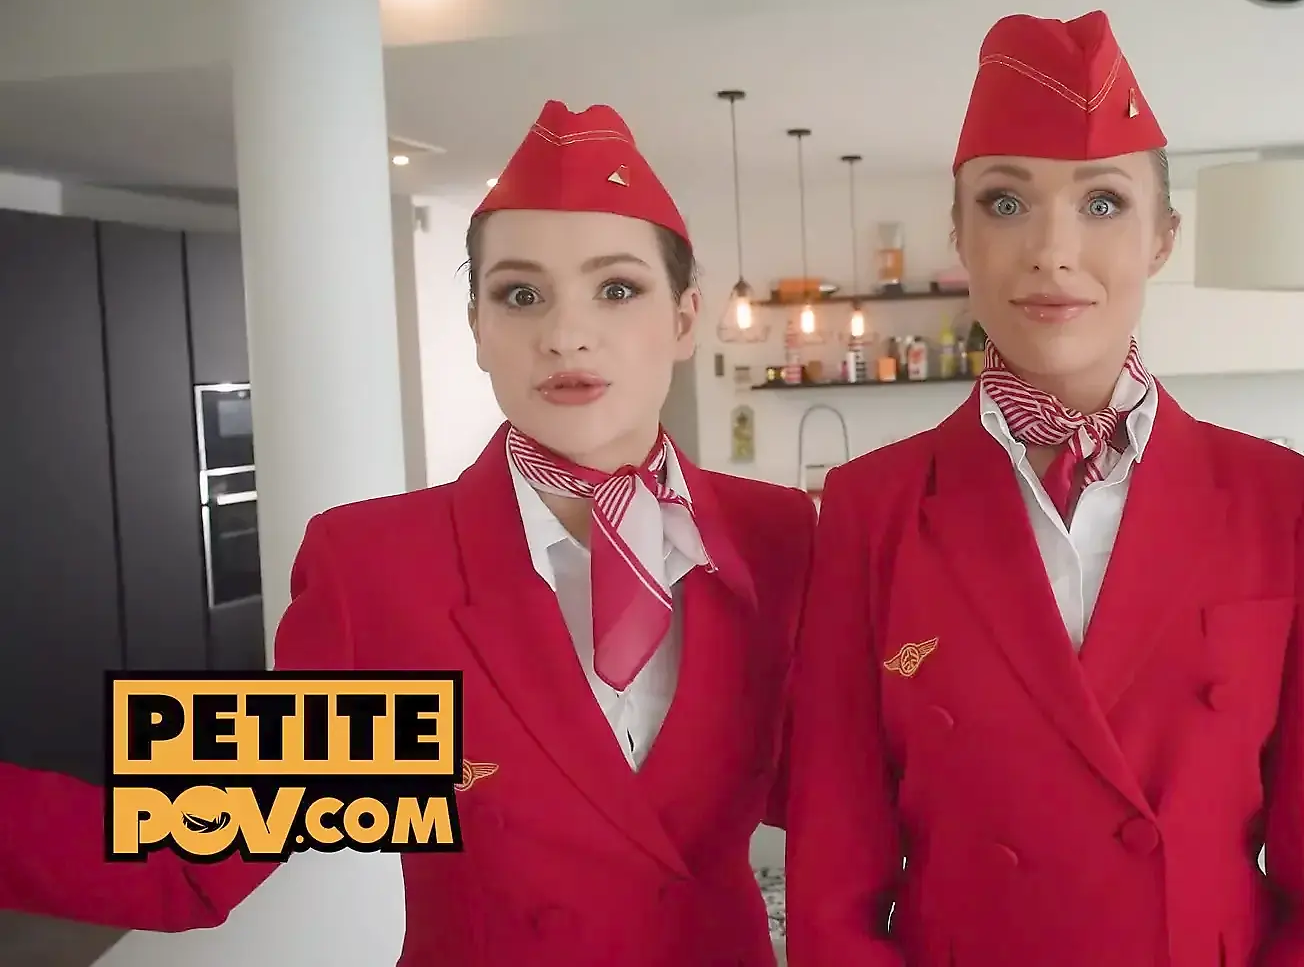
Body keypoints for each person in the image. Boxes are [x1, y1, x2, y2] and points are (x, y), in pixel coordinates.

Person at [0, 100, 815, 966]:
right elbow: (190, 859)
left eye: (617, 289)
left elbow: (844, 789)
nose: (565, 335)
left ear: (684, 320)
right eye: (520, 295)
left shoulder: (778, 535)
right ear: (478, 329)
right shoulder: (377, 568)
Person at [783, 10, 1304, 967]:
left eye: (1103, 204)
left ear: (1162, 238)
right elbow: (833, 878)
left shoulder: (1282, 500)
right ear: (959, 233)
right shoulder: (867, 509)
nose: (1051, 252)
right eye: (1005, 203)